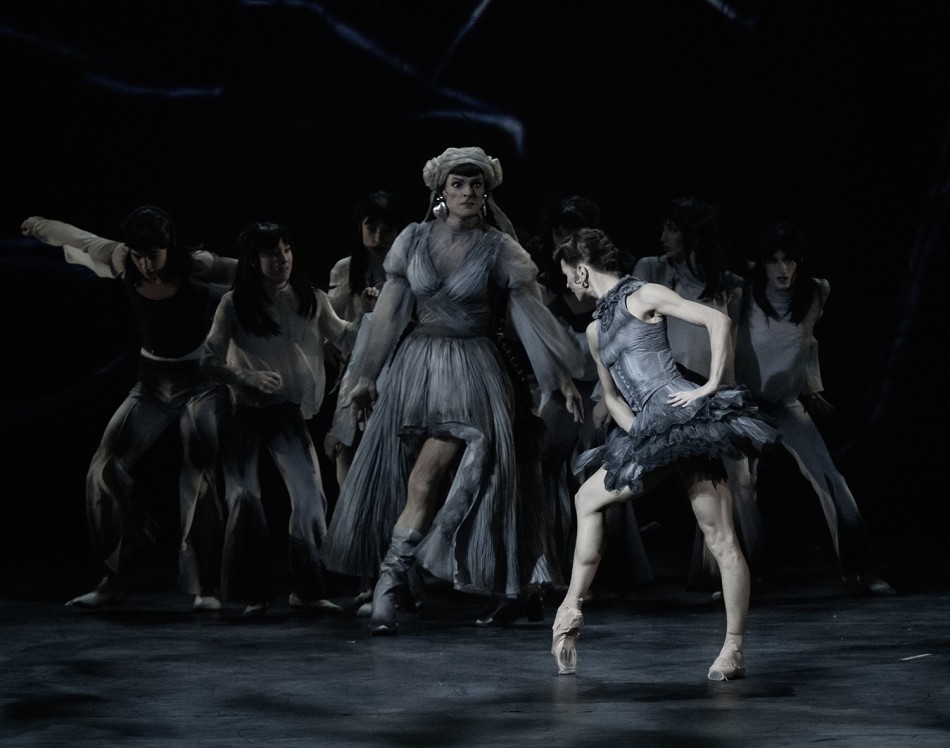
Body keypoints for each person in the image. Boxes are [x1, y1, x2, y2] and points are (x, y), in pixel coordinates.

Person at [321, 146, 586, 635]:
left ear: (486, 193)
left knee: (428, 477)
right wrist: (366, 377)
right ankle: (518, 589)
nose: (468, 193)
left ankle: (388, 584)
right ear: (440, 191)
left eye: (476, 185)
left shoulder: (499, 248)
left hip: (471, 371)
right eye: (458, 184)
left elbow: (532, 318)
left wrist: (558, 377)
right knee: (430, 479)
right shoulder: (414, 239)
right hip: (415, 369)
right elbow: (389, 315)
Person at [550, 228, 779, 681]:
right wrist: (638, 431)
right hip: (649, 430)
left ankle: (733, 649)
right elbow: (612, 396)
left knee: (719, 537)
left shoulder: (644, 294)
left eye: (566, 274)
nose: (566, 284)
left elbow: (718, 321)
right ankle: (570, 611)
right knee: (587, 498)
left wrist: (709, 386)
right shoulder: (596, 330)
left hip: (686, 419)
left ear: (581, 271)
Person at [20, 208, 237, 610]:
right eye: (139, 256)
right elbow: (79, 238)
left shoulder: (197, 266)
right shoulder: (123, 259)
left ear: (169, 247)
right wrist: (38, 225)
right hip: (151, 384)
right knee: (103, 470)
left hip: (200, 383)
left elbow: (255, 275)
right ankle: (113, 577)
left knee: (199, 474)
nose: (145, 265)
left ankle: (205, 586)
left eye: (153, 256)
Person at [201, 222, 357, 616]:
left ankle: (307, 588)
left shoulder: (310, 298)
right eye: (273, 253)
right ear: (254, 261)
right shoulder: (234, 304)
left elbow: (344, 337)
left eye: (286, 250)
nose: (282, 259)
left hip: (287, 412)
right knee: (244, 497)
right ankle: (253, 593)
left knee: (310, 498)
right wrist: (244, 376)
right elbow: (207, 361)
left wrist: (381, 318)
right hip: (243, 412)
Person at [734, 222, 894, 595]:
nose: (782, 269)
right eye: (774, 260)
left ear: (800, 261)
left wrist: (811, 386)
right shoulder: (744, 293)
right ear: (762, 263)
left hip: (786, 402)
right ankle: (749, 572)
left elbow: (808, 343)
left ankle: (861, 569)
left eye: (789, 260)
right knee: (739, 485)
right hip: (744, 402)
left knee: (828, 476)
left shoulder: (817, 291)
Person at [528, 196, 654, 598]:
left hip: (605, 388)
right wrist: (558, 385)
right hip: (559, 387)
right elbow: (539, 345)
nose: (563, 239)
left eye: (572, 231)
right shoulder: (545, 285)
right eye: (558, 232)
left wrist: (605, 396)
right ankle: (549, 568)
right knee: (543, 466)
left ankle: (608, 571)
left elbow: (624, 344)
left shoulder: (610, 283)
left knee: (600, 468)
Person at [633, 196, 762, 589]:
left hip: (713, 391)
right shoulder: (652, 269)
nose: (663, 236)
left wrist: (735, 400)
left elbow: (734, 346)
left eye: (672, 228)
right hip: (668, 392)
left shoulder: (728, 283)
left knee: (735, 482)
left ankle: (723, 575)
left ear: (693, 234)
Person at [323, 191, 406, 613]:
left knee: (388, 480)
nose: (377, 235)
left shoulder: (407, 268)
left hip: (396, 377)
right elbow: (332, 333)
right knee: (349, 475)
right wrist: (364, 316)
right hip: (353, 377)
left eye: (386, 228)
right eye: (371, 226)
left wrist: (384, 312)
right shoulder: (345, 270)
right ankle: (365, 575)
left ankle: (393, 578)